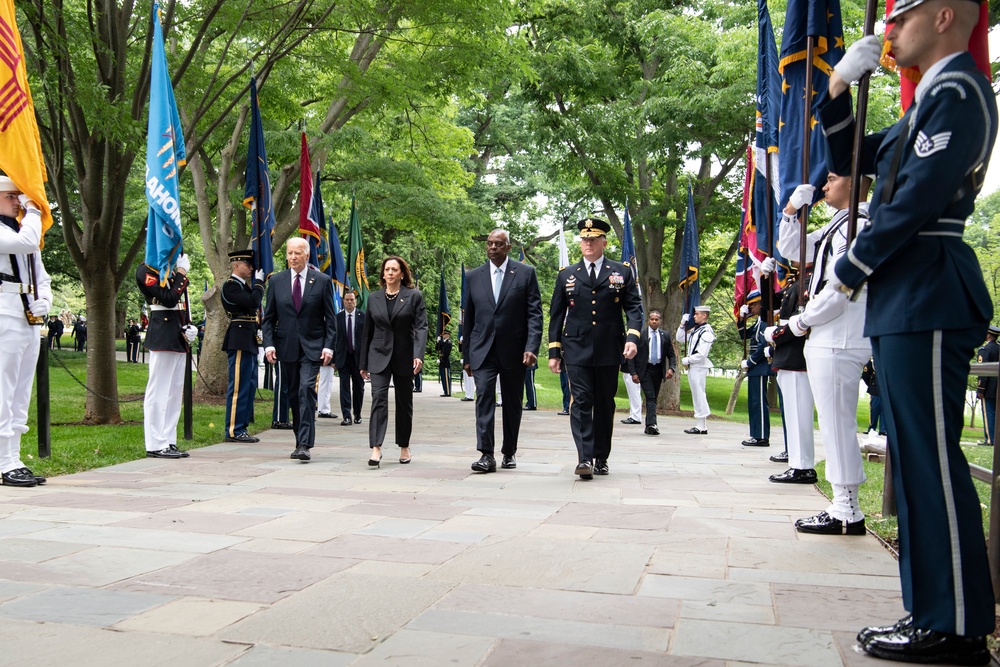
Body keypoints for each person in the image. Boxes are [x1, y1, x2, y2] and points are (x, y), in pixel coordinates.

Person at [821, 4, 997, 660]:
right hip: (906, 295)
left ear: (945, 16)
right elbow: (853, 157)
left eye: (902, 16)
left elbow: (918, 195)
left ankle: (956, 626)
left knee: (931, 463)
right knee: (916, 460)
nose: (889, 31)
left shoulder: (956, 93)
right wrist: (838, 89)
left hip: (926, 287)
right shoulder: (928, 102)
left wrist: (851, 265)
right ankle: (932, 613)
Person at [773, 172, 872, 537]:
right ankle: (844, 505)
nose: (824, 186)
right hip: (829, 335)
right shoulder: (840, 223)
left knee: (837, 425)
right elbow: (793, 251)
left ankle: (847, 510)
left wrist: (799, 323)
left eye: (832, 178)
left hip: (840, 334)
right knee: (833, 424)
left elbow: (840, 288)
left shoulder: (857, 225)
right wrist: (790, 212)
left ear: (857, 180)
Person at [548, 217, 642, 479]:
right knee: (581, 402)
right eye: (584, 239)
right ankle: (584, 458)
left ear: (604, 242)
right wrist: (554, 352)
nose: (587, 243)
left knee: (604, 404)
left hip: (609, 349)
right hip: (576, 349)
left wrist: (632, 338)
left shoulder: (621, 271)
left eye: (593, 239)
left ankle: (601, 456)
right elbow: (556, 315)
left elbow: (634, 308)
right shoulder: (567, 275)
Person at [463, 229, 543, 473]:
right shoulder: (473, 276)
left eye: (499, 244)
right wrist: (466, 355)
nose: (493, 247)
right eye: (490, 243)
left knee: (512, 402)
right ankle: (486, 454)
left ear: (508, 247)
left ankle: (509, 451)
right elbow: (469, 318)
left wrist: (531, 347)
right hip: (482, 350)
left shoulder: (525, 273)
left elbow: (534, 314)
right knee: (484, 397)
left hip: (514, 350)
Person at [261, 237, 337, 462]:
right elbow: (269, 318)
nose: (293, 257)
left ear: (306, 255)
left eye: (297, 253)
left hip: (313, 346)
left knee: (306, 389)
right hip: (286, 346)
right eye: (289, 253)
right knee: (293, 394)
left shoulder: (322, 281)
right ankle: (299, 439)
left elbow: (331, 319)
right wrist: (269, 344)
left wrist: (328, 347)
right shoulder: (276, 281)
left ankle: (305, 444)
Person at [0, 176, 52, 487]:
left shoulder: (24, 231)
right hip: (4, 312)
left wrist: (44, 299)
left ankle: (13, 457)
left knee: (21, 391)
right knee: (3, 390)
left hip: (28, 315)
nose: (18, 201)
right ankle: (2, 461)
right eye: (11, 196)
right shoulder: (21, 233)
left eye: (20, 196)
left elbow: (40, 274)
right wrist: (36, 208)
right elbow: (26, 243)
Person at [360, 256, 428, 467]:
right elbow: (367, 332)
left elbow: (421, 327)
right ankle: (376, 448)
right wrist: (363, 363)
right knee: (378, 399)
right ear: (383, 273)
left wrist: (418, 354)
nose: (390, 273)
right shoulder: (373, 298)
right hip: (378, 355)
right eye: (387, 269)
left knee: (404, 403)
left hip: (404, 355)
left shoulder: (413, 296)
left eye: (394, 269)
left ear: (401, 273)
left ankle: (404, 445)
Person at [137, 254, 196, 460]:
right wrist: (181, 273)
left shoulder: (168, 269)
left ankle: (168, 439)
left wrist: (189, 325)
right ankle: (155, 442)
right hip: (162, 333)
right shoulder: (146, 271)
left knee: (173, 393)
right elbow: (169, 298)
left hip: (176, 334)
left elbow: (179, 303)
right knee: (159, 391)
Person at [763, 266, 816, 484]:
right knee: (793, 416)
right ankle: (798, 464)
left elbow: (800, 321)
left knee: (798, 415)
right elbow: (771, 303)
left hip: (797, 356)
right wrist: (765, 278)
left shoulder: (809, 282)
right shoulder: (796, 282)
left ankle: (803, 467)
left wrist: (775, 336)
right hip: (789, 356)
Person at [220, 249, 264, 443]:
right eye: (248, 265)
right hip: (239, 337)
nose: (252, 269)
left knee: (249, 385)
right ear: (237, 265)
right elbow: (253, 302)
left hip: (249, 337)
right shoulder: (231, 286)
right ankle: (233, 429)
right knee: (238, 386)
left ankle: (242, 427)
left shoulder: (243, 287)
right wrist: (260, 284)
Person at [627, 308, 676, 435]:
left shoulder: (665, 335)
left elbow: (671, 354)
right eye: (652, 319)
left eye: (656, 319)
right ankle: (652, 424)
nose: (654, 321)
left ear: (660, 321)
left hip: (658, 370)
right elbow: (632, 355)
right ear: (648, 320)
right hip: (645, 370)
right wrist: (633, 373)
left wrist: (671, 368)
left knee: (653, 398)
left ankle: (649, 425)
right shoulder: (641, 335)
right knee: (650, 396)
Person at [737, 290, 772, 446]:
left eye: (753, 304)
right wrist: (742, 319)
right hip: (756, 367)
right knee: (754, 401)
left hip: (760, 366)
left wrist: (750, 362)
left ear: (761, 304)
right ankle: (756, 434)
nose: (750, 307)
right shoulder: (758, 322)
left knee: (758, 402)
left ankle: (762, 436)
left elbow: (763, 345)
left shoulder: (766, 322)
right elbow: (744, 335)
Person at [676, 305, 714, 434]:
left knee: (699, 394)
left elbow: (702, 353)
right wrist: (682, 324)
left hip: (699, 366)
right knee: (697, 394)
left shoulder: (706, 332)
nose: (694, 316)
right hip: (694, 367)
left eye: (697, 314)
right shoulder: (697, 330)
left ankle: (701, 424)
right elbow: (680, 338)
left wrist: (689, 359)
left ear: (704, 315)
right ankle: (700, 424)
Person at [334, 290, 365, 426]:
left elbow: (367, 340)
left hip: (358, 358)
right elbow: (333, 339)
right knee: (344, 386)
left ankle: (357, 413)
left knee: (359, 387)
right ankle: (346, 416)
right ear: (343, 301)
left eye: (352, 300)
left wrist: (367, 361)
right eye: (347, 300)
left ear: (355, 301)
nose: (349, 302)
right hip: (343, 357)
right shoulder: (337, 318)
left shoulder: (363, 317)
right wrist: (333, 360)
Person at [975, 326, 998, 446]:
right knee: (996, 414)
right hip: (997, 388)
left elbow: (982, 372)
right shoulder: (998, 348)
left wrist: (980, 389)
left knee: (988, 413)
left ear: (988, 335)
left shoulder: (985, 350)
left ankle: (990, 439)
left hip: (988, 388)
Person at [862, 357, 885, 436]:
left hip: (886, 389)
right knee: (874, 409)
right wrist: (871, 385)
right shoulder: (872, 361)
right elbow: (865, 375)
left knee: (885, 410)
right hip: (875, 388)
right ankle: (872, 428)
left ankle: (883, 430)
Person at [436, 328, 453, 397]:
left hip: (445, 362)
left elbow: (446, 353)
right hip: (442, 362)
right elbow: (437, 348)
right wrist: (437, 342)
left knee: (446, 378)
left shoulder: (448, 343)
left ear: (448, 335)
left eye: (445, 334)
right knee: (443, 377)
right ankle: (445, 391)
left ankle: (448, 392)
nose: (443, 335)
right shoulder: (443, 343)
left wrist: (441, 359)